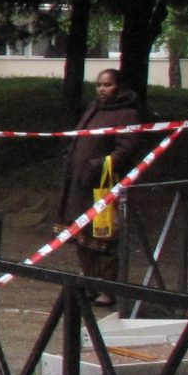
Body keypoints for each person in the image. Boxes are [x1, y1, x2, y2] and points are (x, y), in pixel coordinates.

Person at [61, 68, 147, 289]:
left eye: (107, 85)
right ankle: (91, 282)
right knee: (82, 235)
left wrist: (97, 165)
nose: (101, 89)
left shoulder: (127, 114)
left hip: (104, 185)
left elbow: (125, 149)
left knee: (105, 237)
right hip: (80, 184)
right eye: (99, 85)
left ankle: (107, 288)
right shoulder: (94, 108)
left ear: (119, 87)